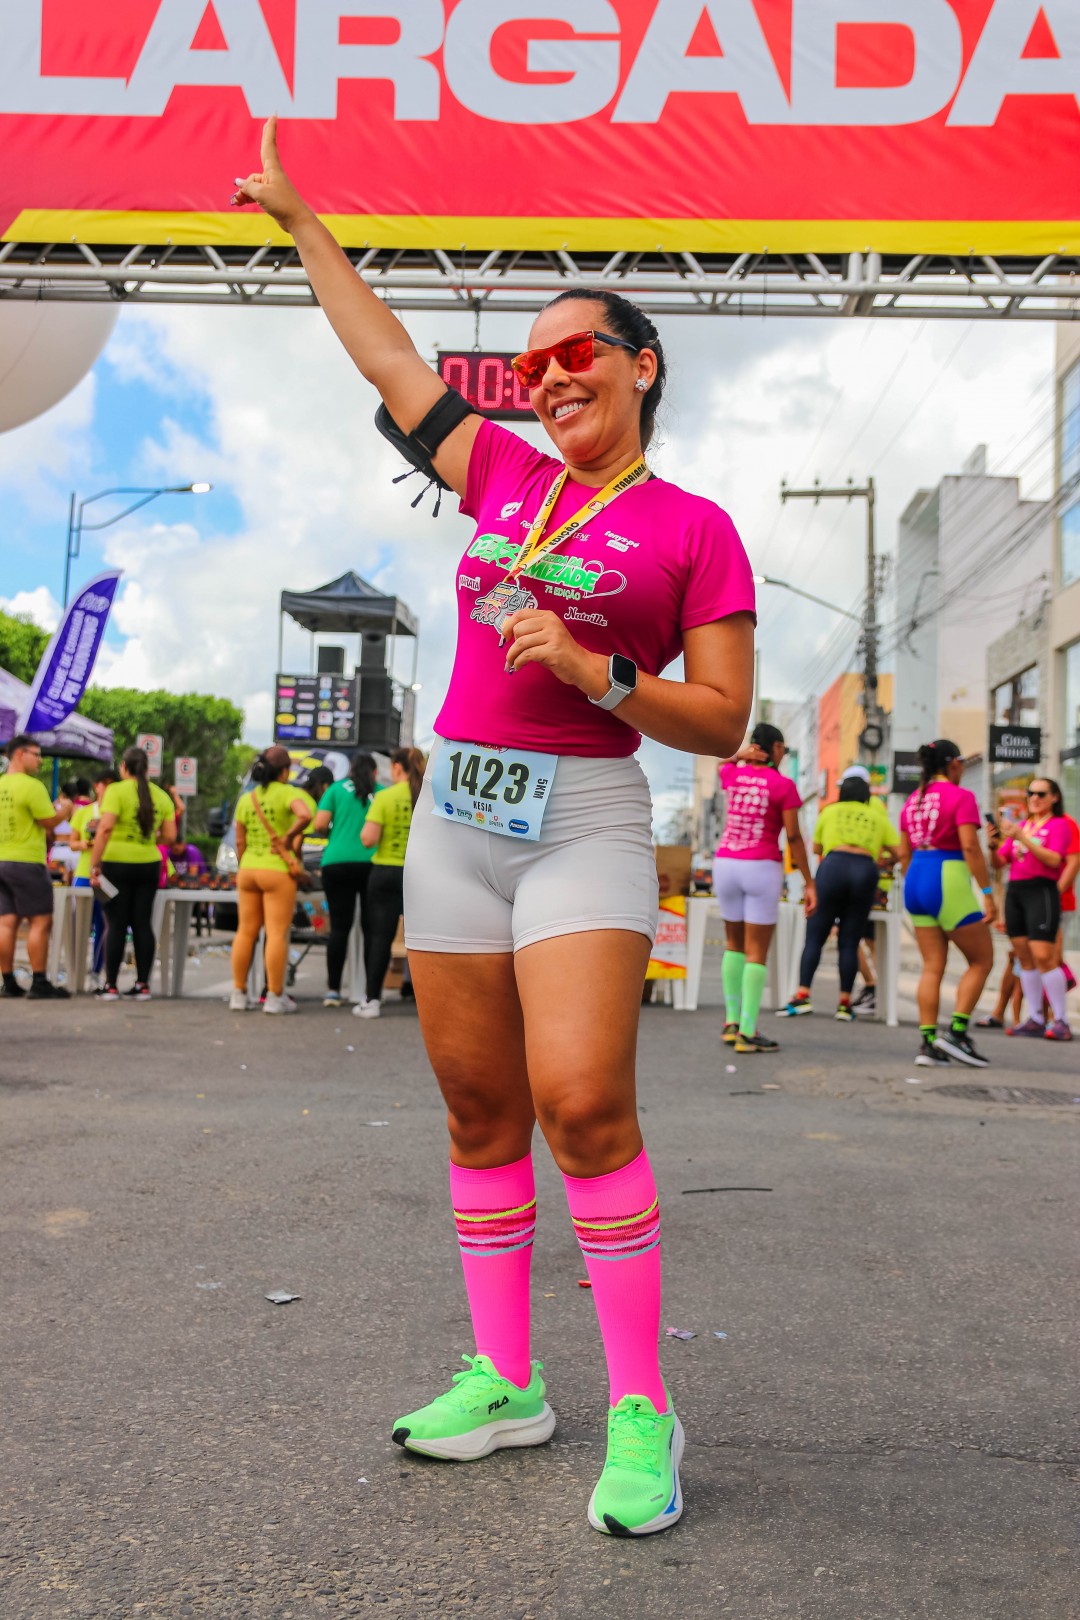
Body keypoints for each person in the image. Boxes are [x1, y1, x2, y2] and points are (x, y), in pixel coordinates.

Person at [234, 120, 756, 1537]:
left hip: (585, 816)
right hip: (453, 815)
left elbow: (723, 719)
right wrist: (303, 224)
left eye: (574, 354)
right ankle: (508, 1380)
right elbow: (386, 356)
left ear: (641, 365)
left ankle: (642, 1409)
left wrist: (601, 674)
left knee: (582, 1104)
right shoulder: (504, 477)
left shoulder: (696, 528)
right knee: (478, 1110)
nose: (548, 379)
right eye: (529, 369)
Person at [713, 723, 816, 1053]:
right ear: (775, 749)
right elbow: (794, 836)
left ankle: (730, 1023)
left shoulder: (734, 775)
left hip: (726, 863)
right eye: (782, 749)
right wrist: (809, 882)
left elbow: (721, 765)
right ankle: (747, 1031)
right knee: (756, 952)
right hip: (761, 866)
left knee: (733, 944)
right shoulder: (783, 785)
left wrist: (738, 756)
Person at [898, 740, 995, 1067]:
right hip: (947, 875)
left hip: (916, 876)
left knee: (932, 965)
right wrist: (987, 893)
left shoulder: (913, 799)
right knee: (982, 960)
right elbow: (970, 846)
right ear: (953, 763)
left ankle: (927, 1044)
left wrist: (915, 882)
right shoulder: (961, 796)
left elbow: (903, 852)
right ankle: (956, 1033)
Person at [781, 773, 899, 1021]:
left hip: (834, 867)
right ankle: (845, 1003)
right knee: (850, 939)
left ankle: (803, 995)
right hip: (865, 870)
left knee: (816, 935)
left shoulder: (830, 812)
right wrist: (884, 861)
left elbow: (817, 848)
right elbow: (899, 851)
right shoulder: (877, 817)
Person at [89, 747, 176, 1001]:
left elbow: (105, 829)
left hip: (116, 863)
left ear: (124, 767)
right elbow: (170, 836)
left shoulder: (116, 791)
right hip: (149, 864)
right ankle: (143, 985)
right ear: (146, 768)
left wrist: (95, 864)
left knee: (116, 923)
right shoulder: (161, 796)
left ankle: (111, 986)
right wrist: (146, 840)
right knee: (142, 923)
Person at [230, 745, 312, 1015]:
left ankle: (239, 993)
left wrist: (245, 864)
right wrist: (288, 837)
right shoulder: (288, 793)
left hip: (248, 869)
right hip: (277, 870)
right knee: (276, 933)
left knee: (245, 931)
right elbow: (305, 815)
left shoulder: (247, 799)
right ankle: (275, 997)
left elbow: (239, 841)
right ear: (284, 771)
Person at [991, 778, 1073, 1041]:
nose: (1034, 798)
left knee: (1044, 955)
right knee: (1024, 956)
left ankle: (1061, 1019)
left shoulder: (1059, 825)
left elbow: (1054, 859)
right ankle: (1036, 1017)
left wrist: (1022, 838)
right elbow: (1000, 861)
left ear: (1054, 797)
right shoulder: (1024, 825)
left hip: (1042, 890)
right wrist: (992, 845)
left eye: (1041, 793)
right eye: (1031, 793)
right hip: (1016, 890)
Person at [0, 735, 73, 999]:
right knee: (40, 920)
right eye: (37, 754)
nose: (40, 760)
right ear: (20, 754)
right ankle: (40, 981)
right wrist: (65, 809)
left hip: (1, 860)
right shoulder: (31, 786)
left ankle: (8, 981)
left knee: (6, 922)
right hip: (27, 862)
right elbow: (49, 821)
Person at [355, 747, 423, 1018]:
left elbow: (368, 838)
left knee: (380, 937)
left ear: (397, 767)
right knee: (421, 938)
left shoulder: (385, 796)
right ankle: (422, 997)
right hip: (419, 874)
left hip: (385, 872)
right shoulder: (428, 796)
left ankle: (372, 1000)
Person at [312, 752, 381, 1008]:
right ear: (375, 772)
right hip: (372, 863)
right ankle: (368, 991)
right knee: (371, 929)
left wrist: (336, 830)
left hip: (337, 862)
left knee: (339, 929)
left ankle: (333, 990)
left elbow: (320, 824)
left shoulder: (335, 789)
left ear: (350, 771)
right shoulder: (382, 792)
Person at [69, 764, 118, 983]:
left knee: (104, 925)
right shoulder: (84, 812)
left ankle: (97, 972)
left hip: (108, 875)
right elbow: (72, 842)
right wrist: (84, 844)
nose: (107, 789)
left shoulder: (118, 813)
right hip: (83, 873)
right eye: (103, 784)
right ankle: (75, 971)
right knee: (78, 924)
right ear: (96, 786)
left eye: (112, 785)